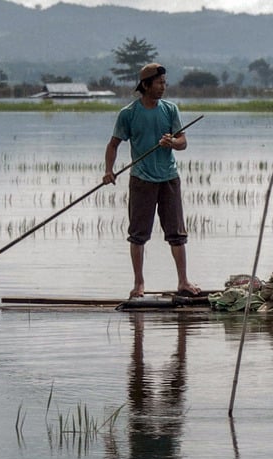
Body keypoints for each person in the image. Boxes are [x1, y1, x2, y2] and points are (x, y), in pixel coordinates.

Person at [103, 63, 201, 299]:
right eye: (159, 83)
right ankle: (138, 284)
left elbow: (183, 142)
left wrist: (172, 143)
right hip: (142, 181)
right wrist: (109, 170)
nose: (163, 87)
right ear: (145, 85)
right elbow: (113, 144)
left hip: (169, 179)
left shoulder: (170, 110)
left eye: (164, 83)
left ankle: (183, 282)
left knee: (177, 233)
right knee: (138, 234)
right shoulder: (129, 113)